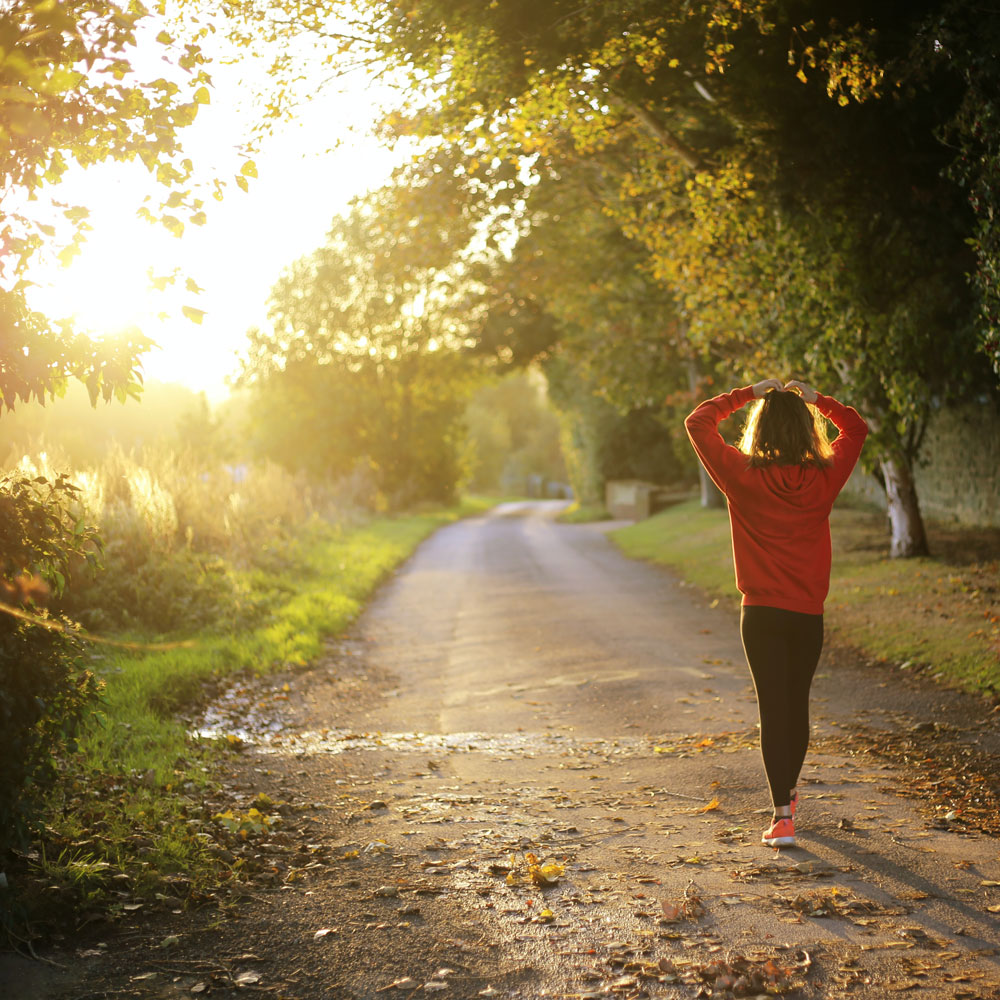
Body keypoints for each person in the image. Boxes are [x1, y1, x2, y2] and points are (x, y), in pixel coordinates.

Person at [684, 378, 868, 847]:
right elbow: (857, 428)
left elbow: (698, 422)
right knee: (796, 704)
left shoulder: (741, 474)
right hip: (807, 613)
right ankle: (786, 794)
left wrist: (747, 393)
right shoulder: (825, 476)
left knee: (773, 708)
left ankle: (782, 815)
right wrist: (818, 401)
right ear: (807, 431)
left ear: (759, 429)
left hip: (761, 613)